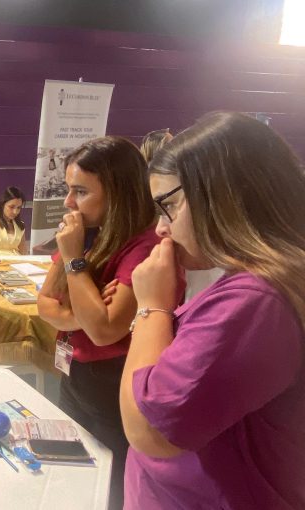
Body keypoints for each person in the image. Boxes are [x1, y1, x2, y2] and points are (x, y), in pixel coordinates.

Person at [121, 112, 305, 509]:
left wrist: (152, 306)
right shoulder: (256, 286)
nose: (160, 229)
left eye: (167, 206)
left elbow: (150, 431)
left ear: (220, 194)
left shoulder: (255, 299)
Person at [37, 136, 183, 510]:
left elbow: (105, 332)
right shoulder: (85, 232)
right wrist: (80, 314)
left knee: (111, 482)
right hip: (75, 373)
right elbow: (44, 304)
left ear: (117, 192)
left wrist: (73, 261)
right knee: (74, 466)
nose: (69, 203)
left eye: (80, 192)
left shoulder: (144, 246)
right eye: (69, 190)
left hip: (114, 380)